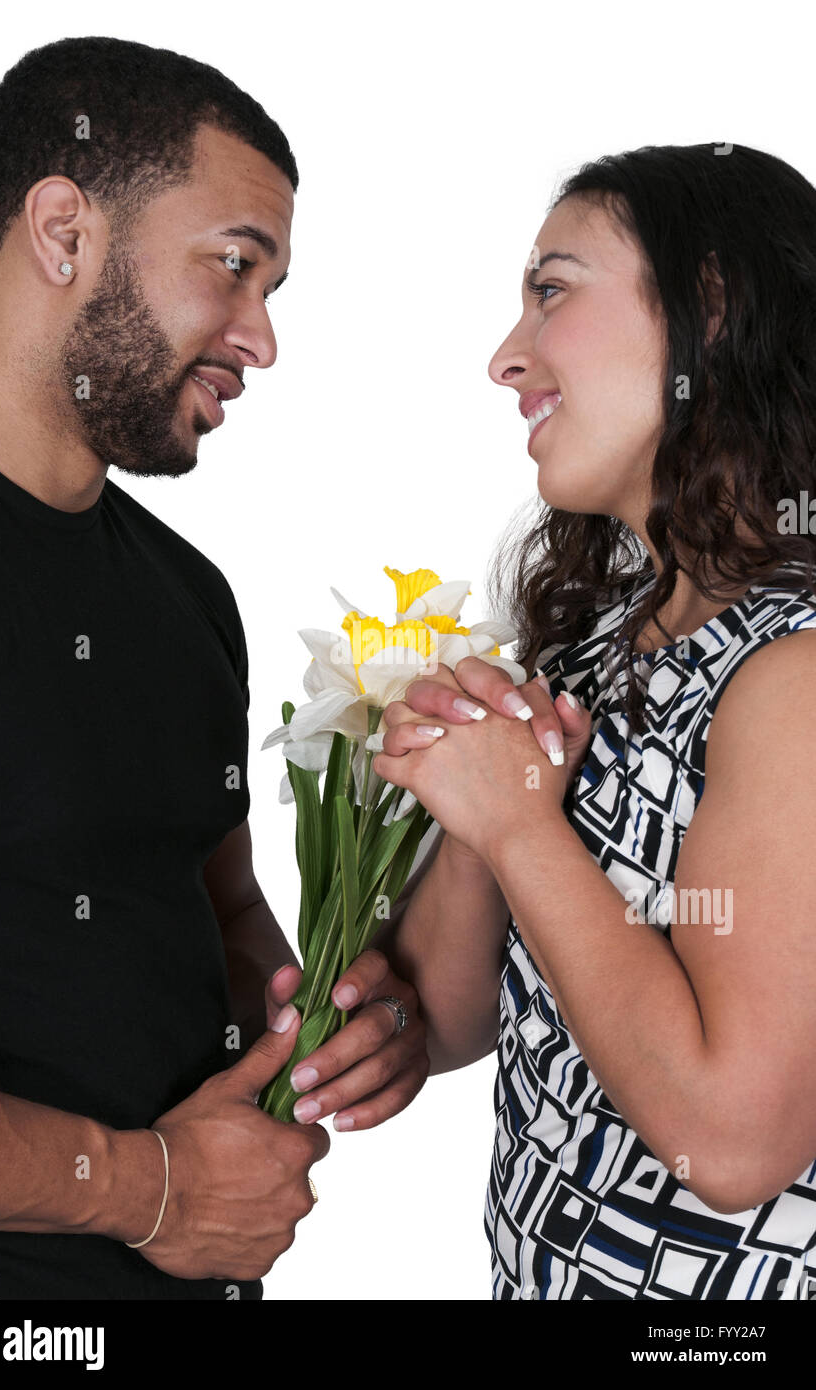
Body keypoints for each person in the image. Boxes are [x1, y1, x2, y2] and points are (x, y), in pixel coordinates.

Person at [296, 143, 816, 1300]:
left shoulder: (796, 673)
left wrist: (521, 825)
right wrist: (387, 1002)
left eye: (552, 290)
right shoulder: (600, 640)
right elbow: (457, 1012)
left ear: (712, 307)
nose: (505, 356)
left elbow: (732, 1144)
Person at [0, 35, 428, 1300]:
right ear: (65, 230)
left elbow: (215, 913)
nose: (259, 339)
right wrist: (151, 1185)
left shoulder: (183, 596)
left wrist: (322, 1013)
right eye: (233, 265)